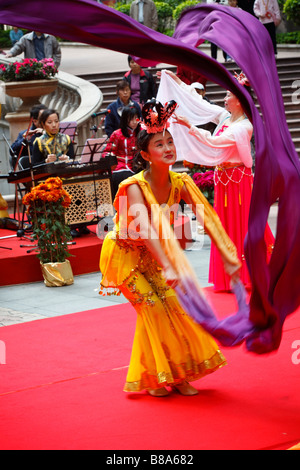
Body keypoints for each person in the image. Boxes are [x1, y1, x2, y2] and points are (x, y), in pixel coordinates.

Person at [99, 99, 242, 397]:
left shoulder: (182, 182)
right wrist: (168, 264)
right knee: (152, 306)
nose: (167, 148)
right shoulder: (133, 186)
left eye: (169, 142)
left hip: (156, 256)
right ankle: (158, 376)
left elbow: (208, 216)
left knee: (173, 307)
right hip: (126, 257)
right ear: (145, 155)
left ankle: (175, 375)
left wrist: (229, 255)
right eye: (159, 144)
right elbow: (147, 230)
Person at [161, 69, 274, 291]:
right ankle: (231, 276)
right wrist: (177, 82)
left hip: (239, 181)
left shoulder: (244, 127)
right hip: (223, 180)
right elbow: (201, 104)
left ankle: (252, 274)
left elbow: (216, 142)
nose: (224, 99)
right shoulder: (225, 117)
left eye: (228, 96)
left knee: (243, 224)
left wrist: (189, 127)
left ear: (239, 102)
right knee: (224, 225)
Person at [103, 106, 141, 197]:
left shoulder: (142, 132)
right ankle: (122, 208)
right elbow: (107, 151)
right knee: (123, 179)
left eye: (136, 118)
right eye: (131, 119)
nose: (135, 122)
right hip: (120, 166)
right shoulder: (117, 134)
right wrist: (110, 156)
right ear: (125, 119)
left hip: (137, 166)